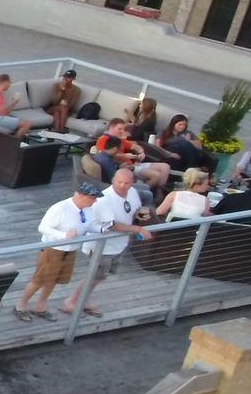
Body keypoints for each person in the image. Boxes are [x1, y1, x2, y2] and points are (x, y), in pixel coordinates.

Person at [62, 168, 153, 317]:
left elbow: (133, 210)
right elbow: (112, 224)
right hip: (102, 246)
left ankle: (83, 300)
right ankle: (71, 302)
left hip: (119, 244)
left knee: (100, 277)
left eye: (126, 183)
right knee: (94, 275)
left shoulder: (133, 193)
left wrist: (139, 215)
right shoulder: (105, 199)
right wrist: (137, 229)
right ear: (113, 181)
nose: (122, 185)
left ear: (132, 183)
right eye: (119, 182)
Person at [15, 184, 105, 322]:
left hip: (70, 250)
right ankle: (21, 306)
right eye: (92, 197)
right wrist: (63, 235)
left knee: (54, 279)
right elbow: (43, 227)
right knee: (39, 280)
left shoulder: (87, 210)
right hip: (52, 250)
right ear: (80, 195)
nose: (95, 201)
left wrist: (103, 229)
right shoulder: (60, 208)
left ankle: (41, 306)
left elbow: (90, 225)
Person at [95, 120, 172, 191]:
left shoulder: (119, 140)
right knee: (156, 176)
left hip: (132, 164)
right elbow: (107, 155)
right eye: (119, 129)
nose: (122, 131)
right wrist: (125, 156)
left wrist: (141, 153)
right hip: (126, 167)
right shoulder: (103, 140)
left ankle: (160, 192)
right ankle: (140, 193)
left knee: (165, 167)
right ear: (111, 128)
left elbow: (136, 146)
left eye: (123, 129)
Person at [0, 73, 32, 138]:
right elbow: (4, 113)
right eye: (9, 82)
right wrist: (14, 102)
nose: (10, 85)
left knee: (25, 128)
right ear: (5, 82)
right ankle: (15, 142)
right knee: (27, 124)